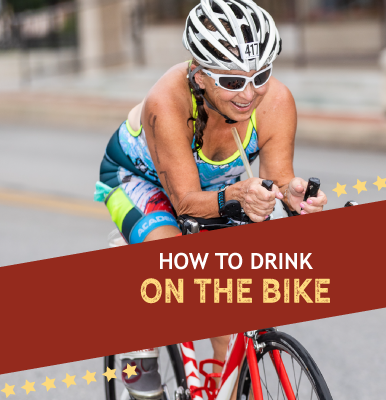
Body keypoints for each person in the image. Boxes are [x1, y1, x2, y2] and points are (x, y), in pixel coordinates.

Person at [95, 0, 327, 398]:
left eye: (261, 75)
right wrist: (238, 194)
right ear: (201, 77)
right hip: (136, 181)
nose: (249, 94)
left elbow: (279, 179)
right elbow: (185, 201)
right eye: (233, 82)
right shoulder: (166, 102)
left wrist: (294, 195)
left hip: (211, 188)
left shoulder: (276, 102)